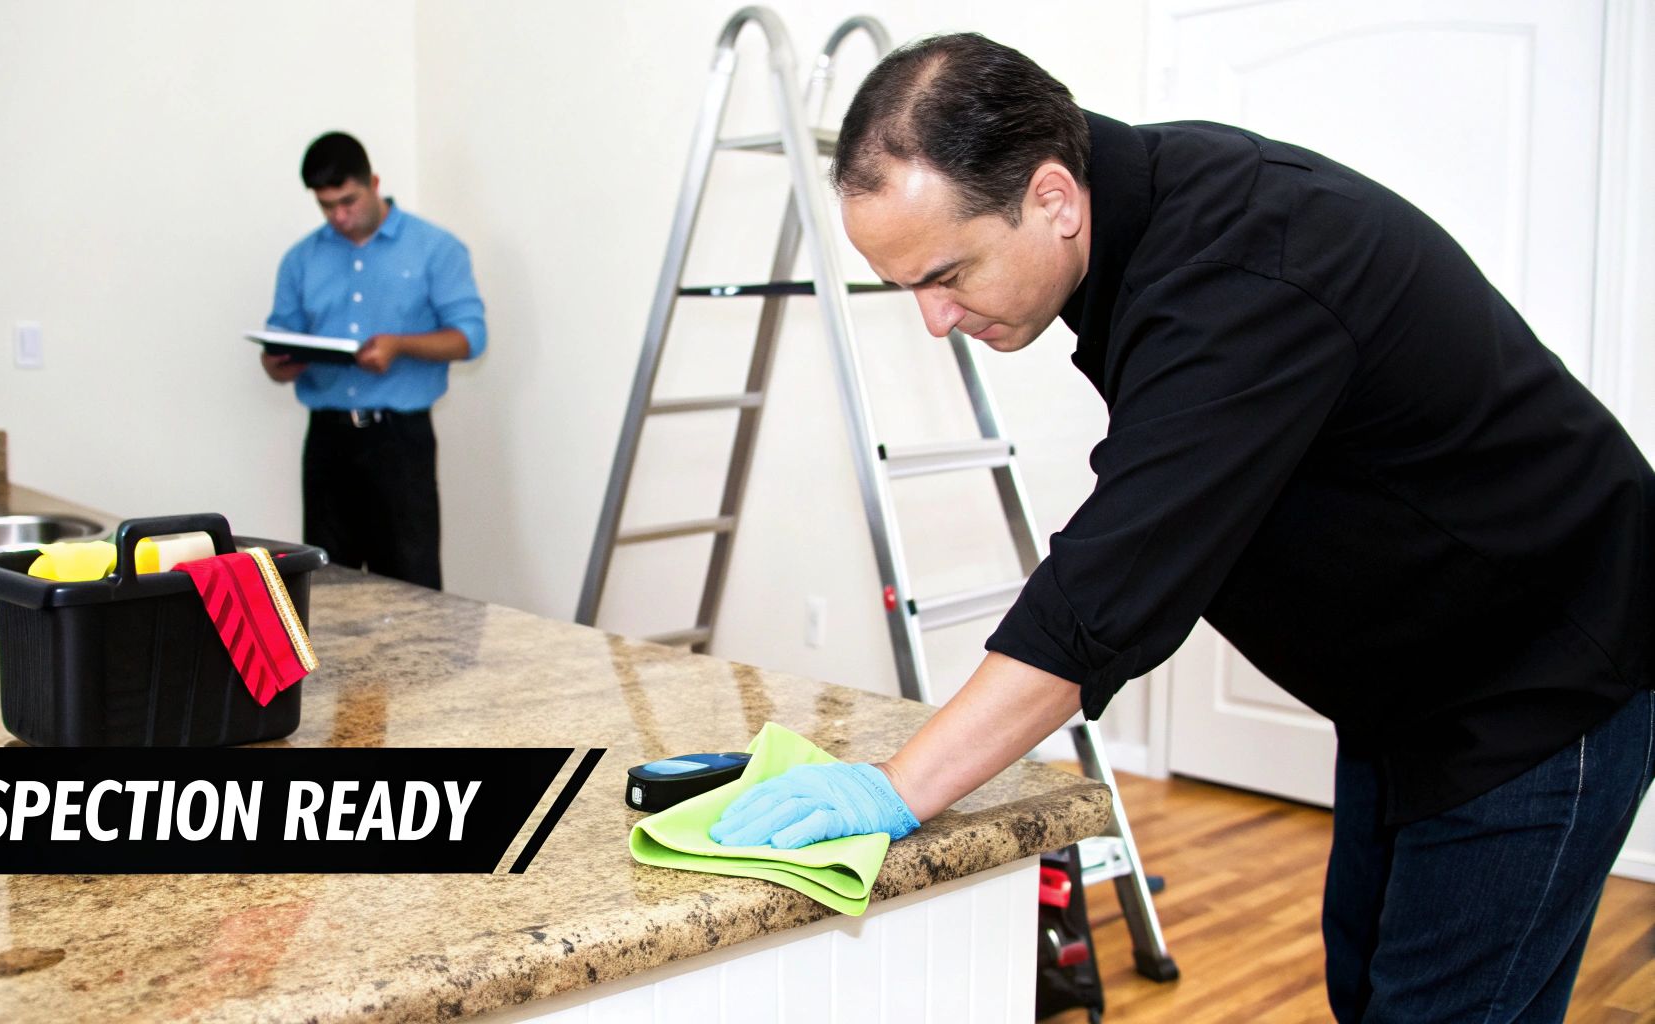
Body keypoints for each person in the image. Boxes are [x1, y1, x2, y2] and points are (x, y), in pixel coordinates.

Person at [707, 33, 1655, 1022]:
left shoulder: (1240, 267)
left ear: (1052, 200)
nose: (933, 321)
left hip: (1537, 667)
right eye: (906, 288)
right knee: (1366, 983)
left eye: (945, 275)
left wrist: (900, 787)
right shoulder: (1145, 213)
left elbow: (1113, 582)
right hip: (1407, 690)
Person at [262, 131, 486, 590]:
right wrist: (280, 363)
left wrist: (400, 346)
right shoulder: (300, 259)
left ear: (375, 182)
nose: (340, 216)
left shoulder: (435, 248)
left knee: (411, 585)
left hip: (400, 441)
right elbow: (278, 342)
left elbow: (470, 337)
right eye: (327, 206)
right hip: (327, 439)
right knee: (326, 588)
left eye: (348, 201)